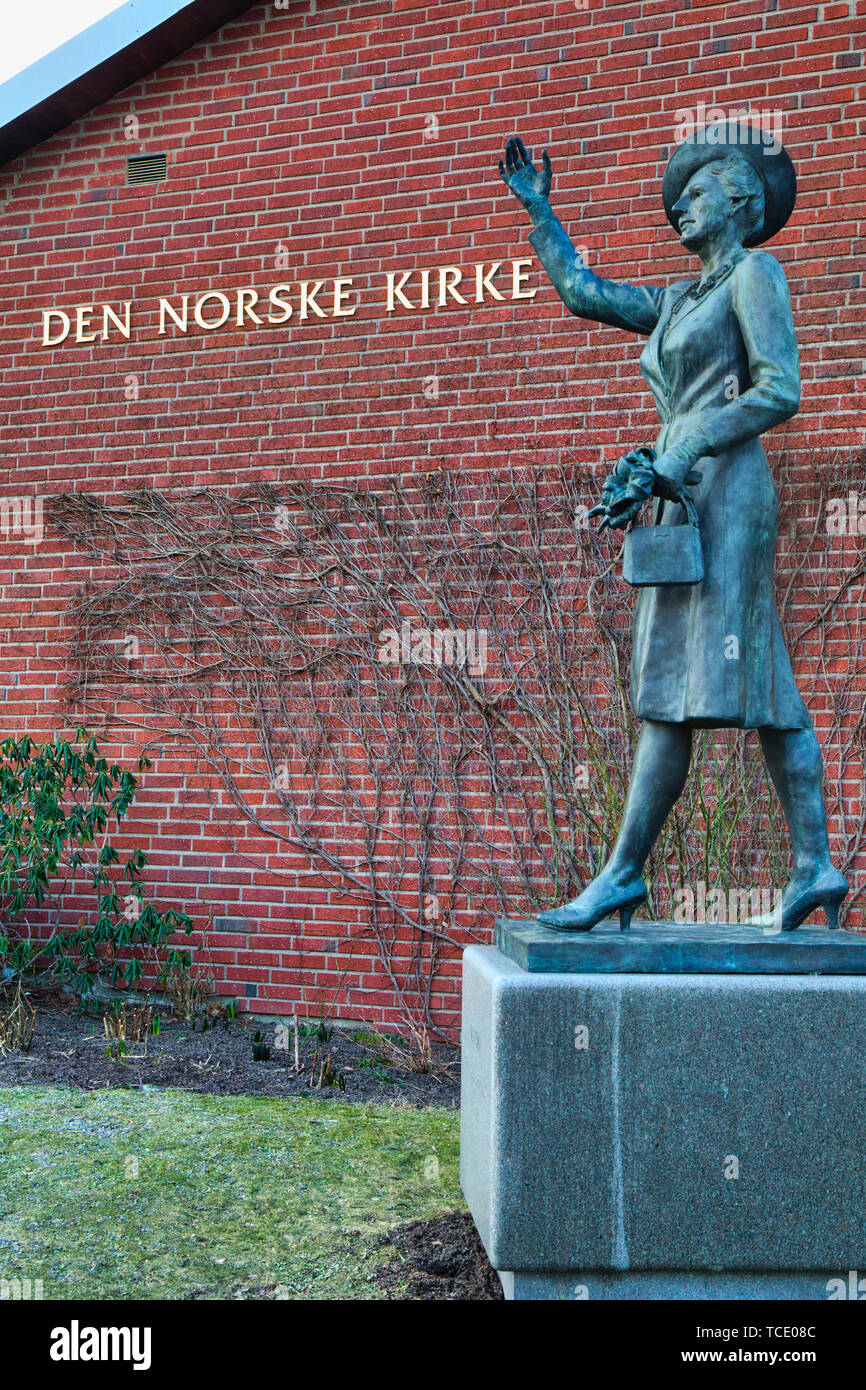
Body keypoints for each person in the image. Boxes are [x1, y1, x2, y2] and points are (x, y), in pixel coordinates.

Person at [499, 123, 848, 932]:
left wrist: (687, 439)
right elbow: (586, 293)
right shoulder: (676, 301)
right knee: (732, 682)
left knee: (704, 684)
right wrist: (542, 216)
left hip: (725, 492)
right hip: (680, 495)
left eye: (694, 193)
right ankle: (814, 865)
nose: (678, 208)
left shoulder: (753, 274)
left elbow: (779, 389)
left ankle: (624, 875)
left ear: (740, 198)